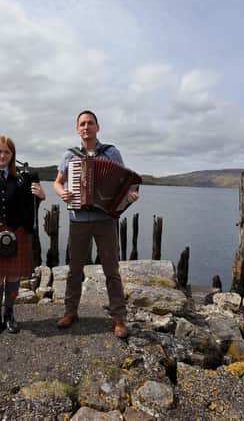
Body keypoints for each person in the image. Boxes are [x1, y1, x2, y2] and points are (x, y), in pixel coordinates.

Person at [53, 110, 139, 338]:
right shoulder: (69, 156)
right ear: (77, 129)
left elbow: (126, 183)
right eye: (82, 124)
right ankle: (70, 312)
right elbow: (58, 183)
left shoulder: (111, 153)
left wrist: (130, 195)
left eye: (90, 123)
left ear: (97, 127)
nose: (86, 127)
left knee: (111, 269)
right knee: (74, 270)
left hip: (105, 220)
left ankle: (119, 318)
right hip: (78, 220)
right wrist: (63, 193)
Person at [0, 136, 45, 336]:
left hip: (17, 230)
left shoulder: (22, 178)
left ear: (12, 156)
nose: (2, 155)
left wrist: (41, 195)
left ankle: (10, 314)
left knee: (13, 277)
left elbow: (30, 204)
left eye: (7, 152)